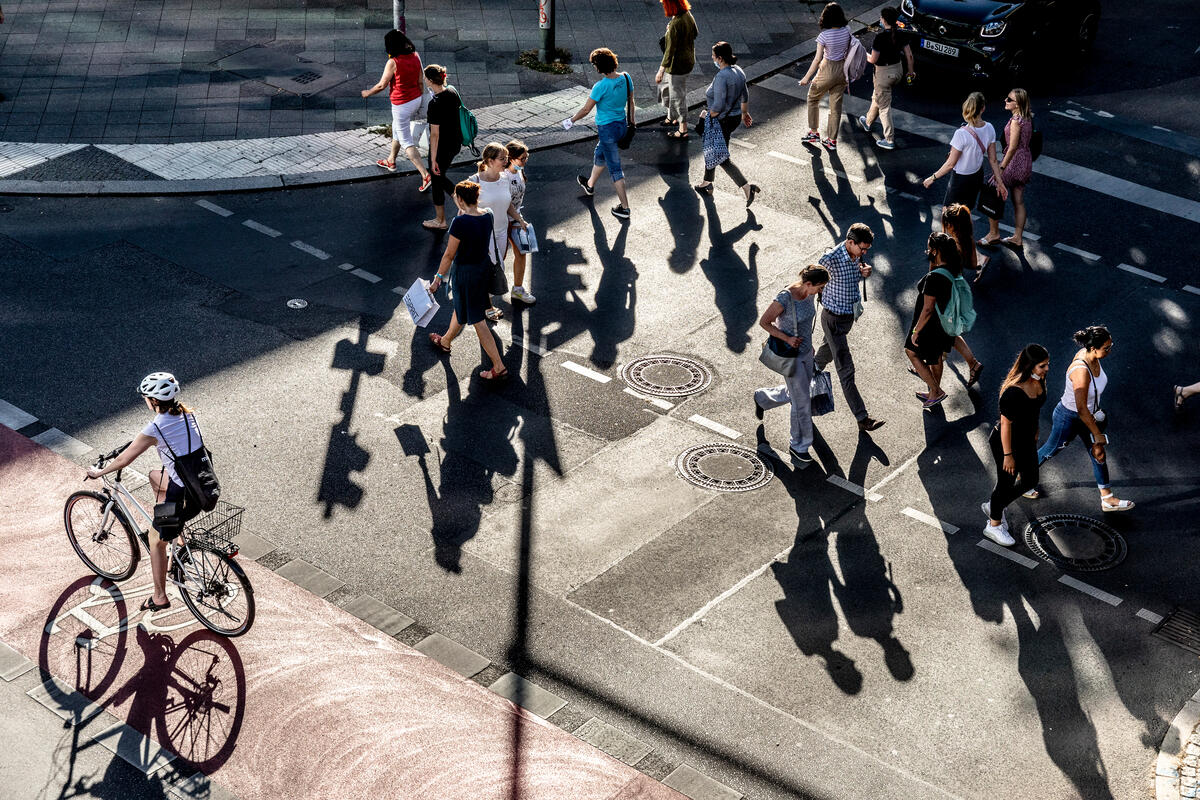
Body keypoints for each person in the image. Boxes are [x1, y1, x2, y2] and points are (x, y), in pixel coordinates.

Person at [85, 373, 206, 612]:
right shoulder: (187, 414)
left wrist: (98, 473)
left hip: (181, 489)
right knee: (154, 476)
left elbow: (125, 459)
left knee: (155, 542)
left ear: (153, 401)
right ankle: (176, 536)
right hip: (201, 481)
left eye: (146, 398)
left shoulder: (156, 427)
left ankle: (159, 597)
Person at [1028, 325, 1134, 512]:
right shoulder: (1081, 370)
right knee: (1049, 451)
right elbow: (1081, 407)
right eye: (1106, 348)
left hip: (1087, 416)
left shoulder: (1094, 356)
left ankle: (1107, 498)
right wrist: (1097, 433)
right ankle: (1023, 478)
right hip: (1069, 418)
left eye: (1111, 346)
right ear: (1093, 348)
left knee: (1098, 453)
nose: (1110, 350)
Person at [428, 181, 509, 380]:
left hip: (466, 274)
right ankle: (445, 341)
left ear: (461, 199)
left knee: (477, 320)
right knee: (461, 307)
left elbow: (449, 254)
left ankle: (498, 366)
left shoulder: (460, 223)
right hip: (482, 269)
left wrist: (438, 278)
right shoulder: (487, 214)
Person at [754, 264, 831, 466]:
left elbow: (806, 323)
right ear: (807, 283)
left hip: (806, 352)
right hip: (791, 355)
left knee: (798, 393)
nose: (820, 291)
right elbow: (764, 322)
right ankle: (799, 446)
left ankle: (763, 398)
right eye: (819, 287)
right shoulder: (785, 298)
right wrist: (787, 339)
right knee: (802, 401)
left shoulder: (810, 293)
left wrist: (810, 345)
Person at [814, 223, 886, 432]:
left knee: (823, 357)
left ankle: (802, 378)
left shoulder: (855, 256)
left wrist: (865, 273)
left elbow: (853, 276)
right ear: (850, 242)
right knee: (846, 369)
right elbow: (810, 280)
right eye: (862, 249)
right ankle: (862, 418)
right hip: (833, 320)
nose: (864, 253)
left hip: (846, 318)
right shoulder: (830, 259)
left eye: (866, 250)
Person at [982, 344, 1049, 546]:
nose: (1047, 369)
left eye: (1047, 365)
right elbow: (1005, 425)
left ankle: (995, 505)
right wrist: (1008, 455)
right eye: (1042, 366)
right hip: (1006, 443)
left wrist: (1035, 429)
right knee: (1006, 482)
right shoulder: (1013, 392)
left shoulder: (1039, 381)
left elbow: (1035, 408)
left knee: (1030, 479)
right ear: (1029, 366)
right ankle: (993, 525)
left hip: (1026, 439)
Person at [692, 42, 760, 206]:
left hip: (721, 120)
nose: (712, 58)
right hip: (734, 117)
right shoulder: (739, 71)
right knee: (714, 149)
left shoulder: (723, 76)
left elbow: (719, 105)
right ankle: (707, 182)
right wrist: (744, 113)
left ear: (720, 58)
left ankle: (746, 187)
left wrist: (708, 115)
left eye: (713, 56)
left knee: (721, 157)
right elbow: (745, 95)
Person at [467, 142, 529, 322]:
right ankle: (486, 306)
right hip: (483, 235)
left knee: (496, 268)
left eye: (506, 158)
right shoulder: (474, 181)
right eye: (502, 159)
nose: (505, 161)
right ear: (489, 160)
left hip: (501, 233)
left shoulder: (504, 179)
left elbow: (507, 203)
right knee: (487, 269)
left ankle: (483, 299)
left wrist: (519, 219)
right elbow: (460, 203)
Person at [569, 47, 633, 220]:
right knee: (600, 153)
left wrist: (571, 120)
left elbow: (586, 109)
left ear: (599, 67)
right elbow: (631, 102)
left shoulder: (601, 86)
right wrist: (632, 123)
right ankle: (589, 185)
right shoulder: (626, 78)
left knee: (615, 169)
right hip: (621, 125)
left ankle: (625, 208)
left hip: (607, 130)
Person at [921, 92, 1007, 217]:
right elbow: (993, 160)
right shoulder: (990, 128)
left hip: (960, 179)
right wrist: (1000, 182)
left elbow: (950, 164)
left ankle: (950, 237)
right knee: (965, 213)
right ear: (983, 108)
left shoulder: (961, 134)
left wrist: (932, 178)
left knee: (948, 215)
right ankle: (964, 235)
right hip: (977, 176)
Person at [905, 232, 960, 409]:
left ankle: (936, 391)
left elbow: (927, 308)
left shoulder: (933, 278)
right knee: (935, 357)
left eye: (930, 248)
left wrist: (916, 331)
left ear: (936, 251)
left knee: (911, 352)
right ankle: (933, 391)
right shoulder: (950, 269)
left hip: (930, 324)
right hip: (944, 322)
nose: (927, 250)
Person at [979, 87, 1035, 251]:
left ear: (1017, 104)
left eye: (1009, 99)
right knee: (1018, 200)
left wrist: (1001, 168)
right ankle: (1017, 238)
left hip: (1014, 161)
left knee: (993, 188)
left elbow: (1012, 148)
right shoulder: (1027, 118)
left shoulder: (1016, 121)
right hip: (1026, 161)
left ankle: (993, 234)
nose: (1005, 101)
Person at [856, 7, 914, 150]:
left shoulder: (880, 38)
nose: (880, 20)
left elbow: (873, 60)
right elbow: (909, 56)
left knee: (884, 107)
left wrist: (863, 52)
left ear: (883, 20)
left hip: (883, 74)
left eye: (881, 18)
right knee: (879, 96)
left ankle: (889, 139)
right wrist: (911, 72)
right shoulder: (901, 34)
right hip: (898, 71)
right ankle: (868, 122)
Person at [940, 203, 985, 384]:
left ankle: (932, 364)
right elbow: (974, 264)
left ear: (951, 225)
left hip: (946, 293)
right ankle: (972, 363)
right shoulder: (967, 239)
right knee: (948, 333)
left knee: (940, 330)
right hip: (959, 292)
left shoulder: (950, 246)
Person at [798, 2, 851, 151]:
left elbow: (817, 59)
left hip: (828, 69)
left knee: (813, 97)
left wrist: (806, 78)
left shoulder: (824, 36)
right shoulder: (847, 31)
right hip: (843, 70)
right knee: (836, 107)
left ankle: (814, 132)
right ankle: (832, 140)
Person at [421, 64, 463, 232]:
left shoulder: (434, 104)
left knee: (437, 177)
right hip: (455, 143)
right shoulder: (452, 92)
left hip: (442, 146)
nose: (424, 80)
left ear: (430, 81)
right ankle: (457, 202)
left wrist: (433, 159)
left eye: (425, 78)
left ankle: (442, 218)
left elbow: (435, 134)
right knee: (439, 177)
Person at [655, 0, 698, 140]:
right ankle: (671, 117)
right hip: (688, 59)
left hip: (676, 65)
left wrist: (661, 70)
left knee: (678, 96)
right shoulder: (687, 14)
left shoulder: (675, 24)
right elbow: (695, 33)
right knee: (667, 89)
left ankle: (682, 129)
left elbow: (669, 51)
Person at [504, 140, 536, 305]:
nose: (525, 161)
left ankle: (517, 290)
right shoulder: (504, 177)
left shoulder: (519, 172)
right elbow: (506, 204)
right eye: (522, 158)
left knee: (521, 253)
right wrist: (520, 219)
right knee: (498, 259)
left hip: (515, 217)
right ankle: (485, 295)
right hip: (503, 221)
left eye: (526, 158)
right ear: (511, 158)